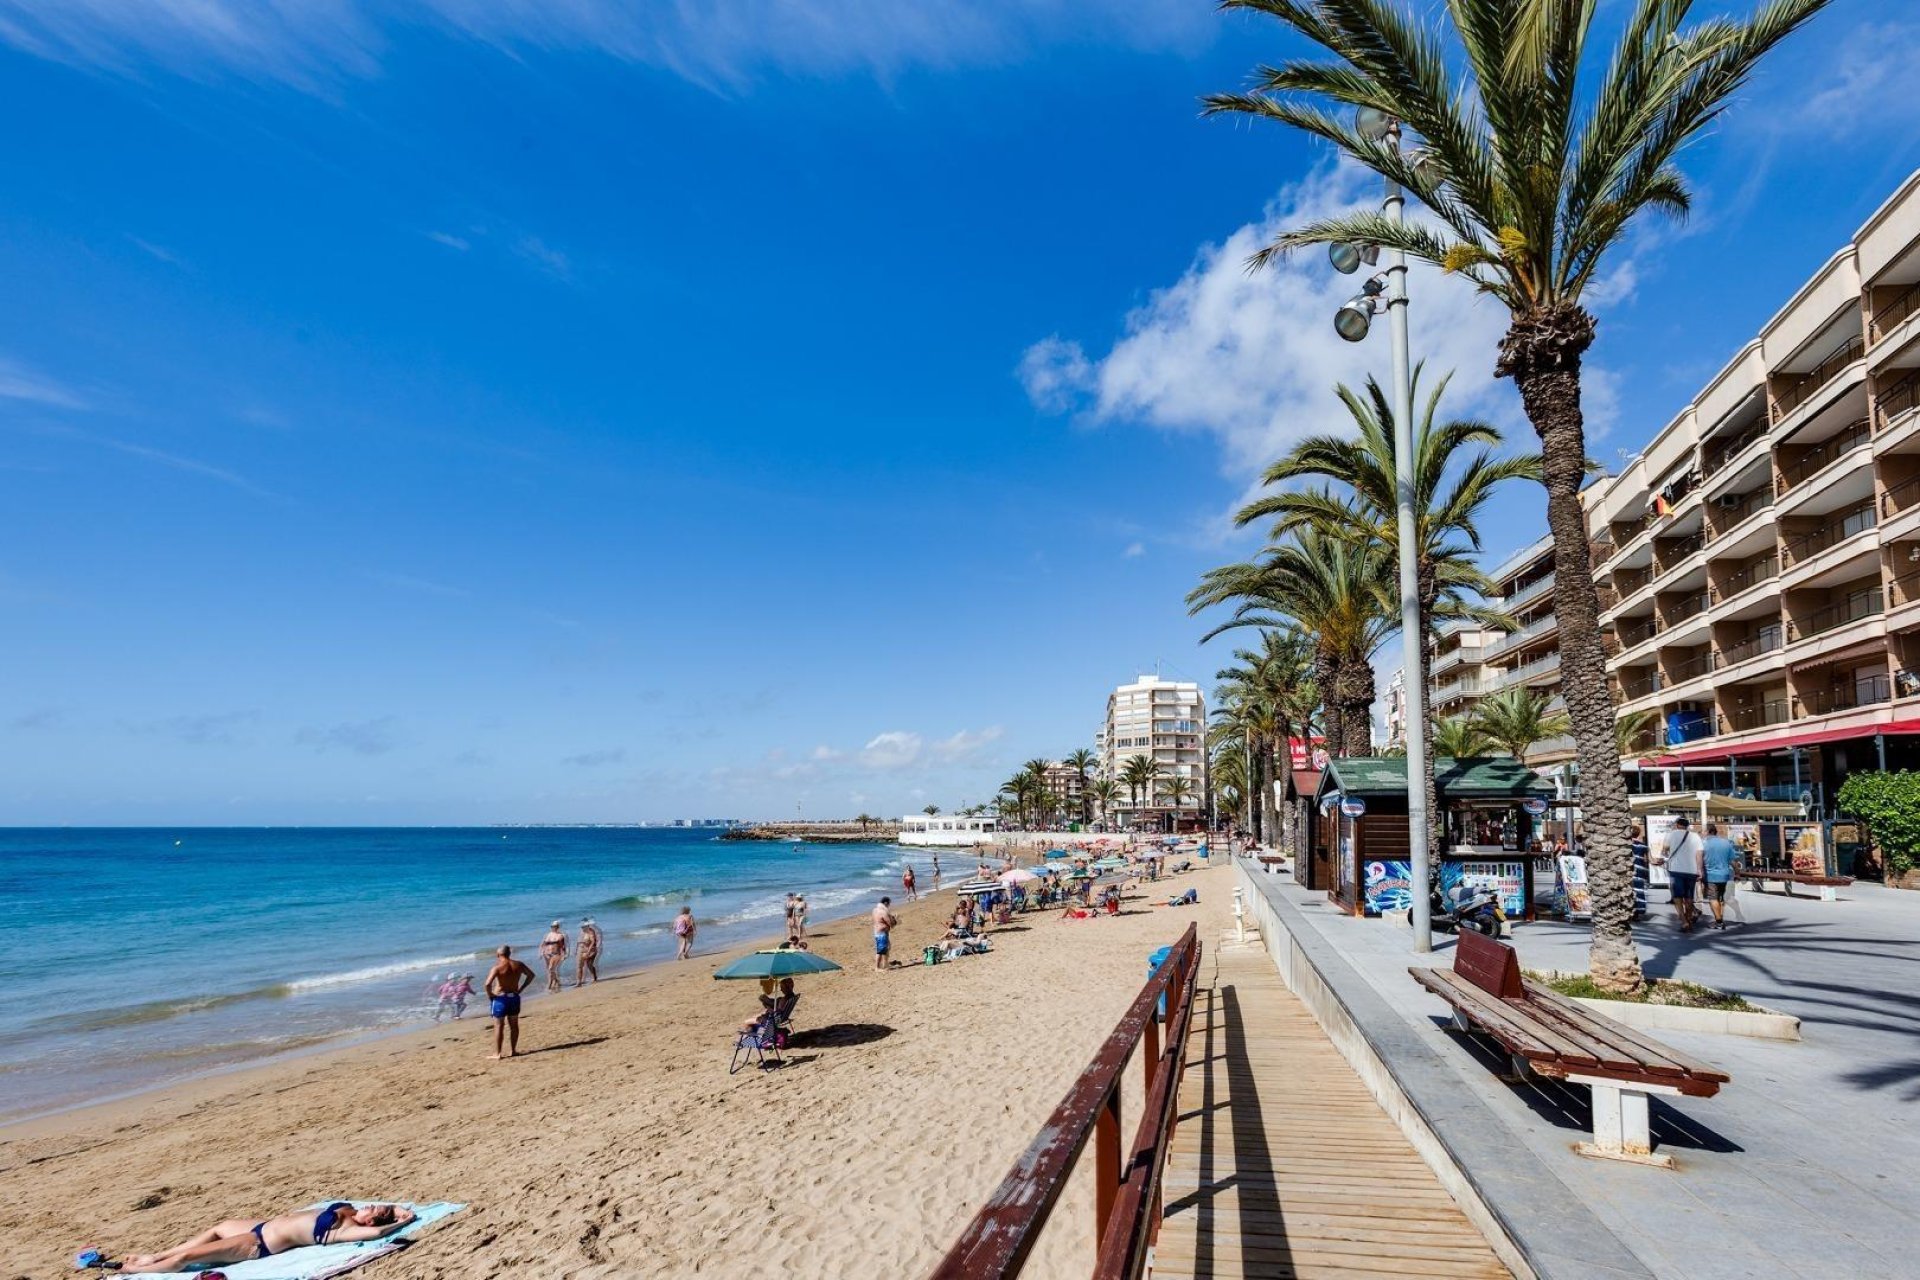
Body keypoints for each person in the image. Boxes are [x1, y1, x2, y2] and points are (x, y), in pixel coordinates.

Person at [120, 1203, 414, 1272]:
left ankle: (136, 1270)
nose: (369, 1205)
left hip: (258, 1244)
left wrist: (404, 1221)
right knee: (219, 1227)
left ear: (372, 1219)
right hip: (261, 1226)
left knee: (185, 1259)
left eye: (373, 1209)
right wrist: (399, 1210)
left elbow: (377, 1232)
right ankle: (156, 1256)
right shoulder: (347, 1210)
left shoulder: (348, 1229)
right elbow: (391, 1207)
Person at [485, 944, 536, 1060]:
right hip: (514, 997)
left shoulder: (497, 967)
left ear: (498, 955)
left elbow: (487, 984)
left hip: (500, 999)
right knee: (514, 1025)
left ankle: (497, 1053)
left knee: (499, 1026)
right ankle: (513, 1050)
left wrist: (491, 995)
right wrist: (521, 988)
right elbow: (531, 975)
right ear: (509, 954)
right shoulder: (518, 964)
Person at [1655, 817, 1704, 933]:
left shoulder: (1671, 835)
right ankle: (1688, 920)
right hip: (1692, 870)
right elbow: (1699, 854)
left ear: (1677, 825)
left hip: (1676, 870)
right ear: (1687, 826)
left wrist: (1665, 853)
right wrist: (1700, 870)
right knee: (1689, 897)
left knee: (1677, 897)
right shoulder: (1695, 836)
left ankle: (1684, 921)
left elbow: (1665, 850)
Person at [1700, 823, 1740, 930]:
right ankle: (1720, 917)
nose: (1702, 833)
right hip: (1724, 875)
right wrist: (1737, 873)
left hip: (1710, 875)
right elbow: (1732, 861)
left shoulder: (1703, 844)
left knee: (1713, 898)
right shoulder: (1726, 843)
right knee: (1720, 898)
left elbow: (1699, 860)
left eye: (1703, 831)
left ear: (1708, 832)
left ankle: (1719, 922)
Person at [539, 920, 569, 993]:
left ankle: (549, 985)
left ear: (558, 927)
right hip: (547, 954)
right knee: (549, 970)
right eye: (552, 927)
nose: (553, 928)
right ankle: (556, 981)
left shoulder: (561, 935)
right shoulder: (548, 934)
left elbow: (565, 946)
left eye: (555, 927)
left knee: (550, 969)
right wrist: (540, 952)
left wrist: (566, 954)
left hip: (556, 954)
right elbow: (542, 944)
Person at [872, 896, 898, 970]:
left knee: (885, 949)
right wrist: (895, 919)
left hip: (877, 932)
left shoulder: (875, 910)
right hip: (882, 933)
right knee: (881, 951)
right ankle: (877, 967)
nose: (889, 905)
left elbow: (879, 920)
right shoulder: (883, 912)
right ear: (886, 903)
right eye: (889, 904)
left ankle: (885, 965)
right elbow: (891, 924)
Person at [576, 917, 602, 985]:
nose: (582, 928)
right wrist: (576, 950)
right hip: (581, 950)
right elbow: (578, 942)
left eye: (583, 926)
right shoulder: (581, 932)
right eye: (582, 926)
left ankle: (594, 977)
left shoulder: (591, 931)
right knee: (579, 966)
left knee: (589, 964)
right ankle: (579, 981)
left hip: (590, 950)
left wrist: (588, 951)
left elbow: (593, 942)